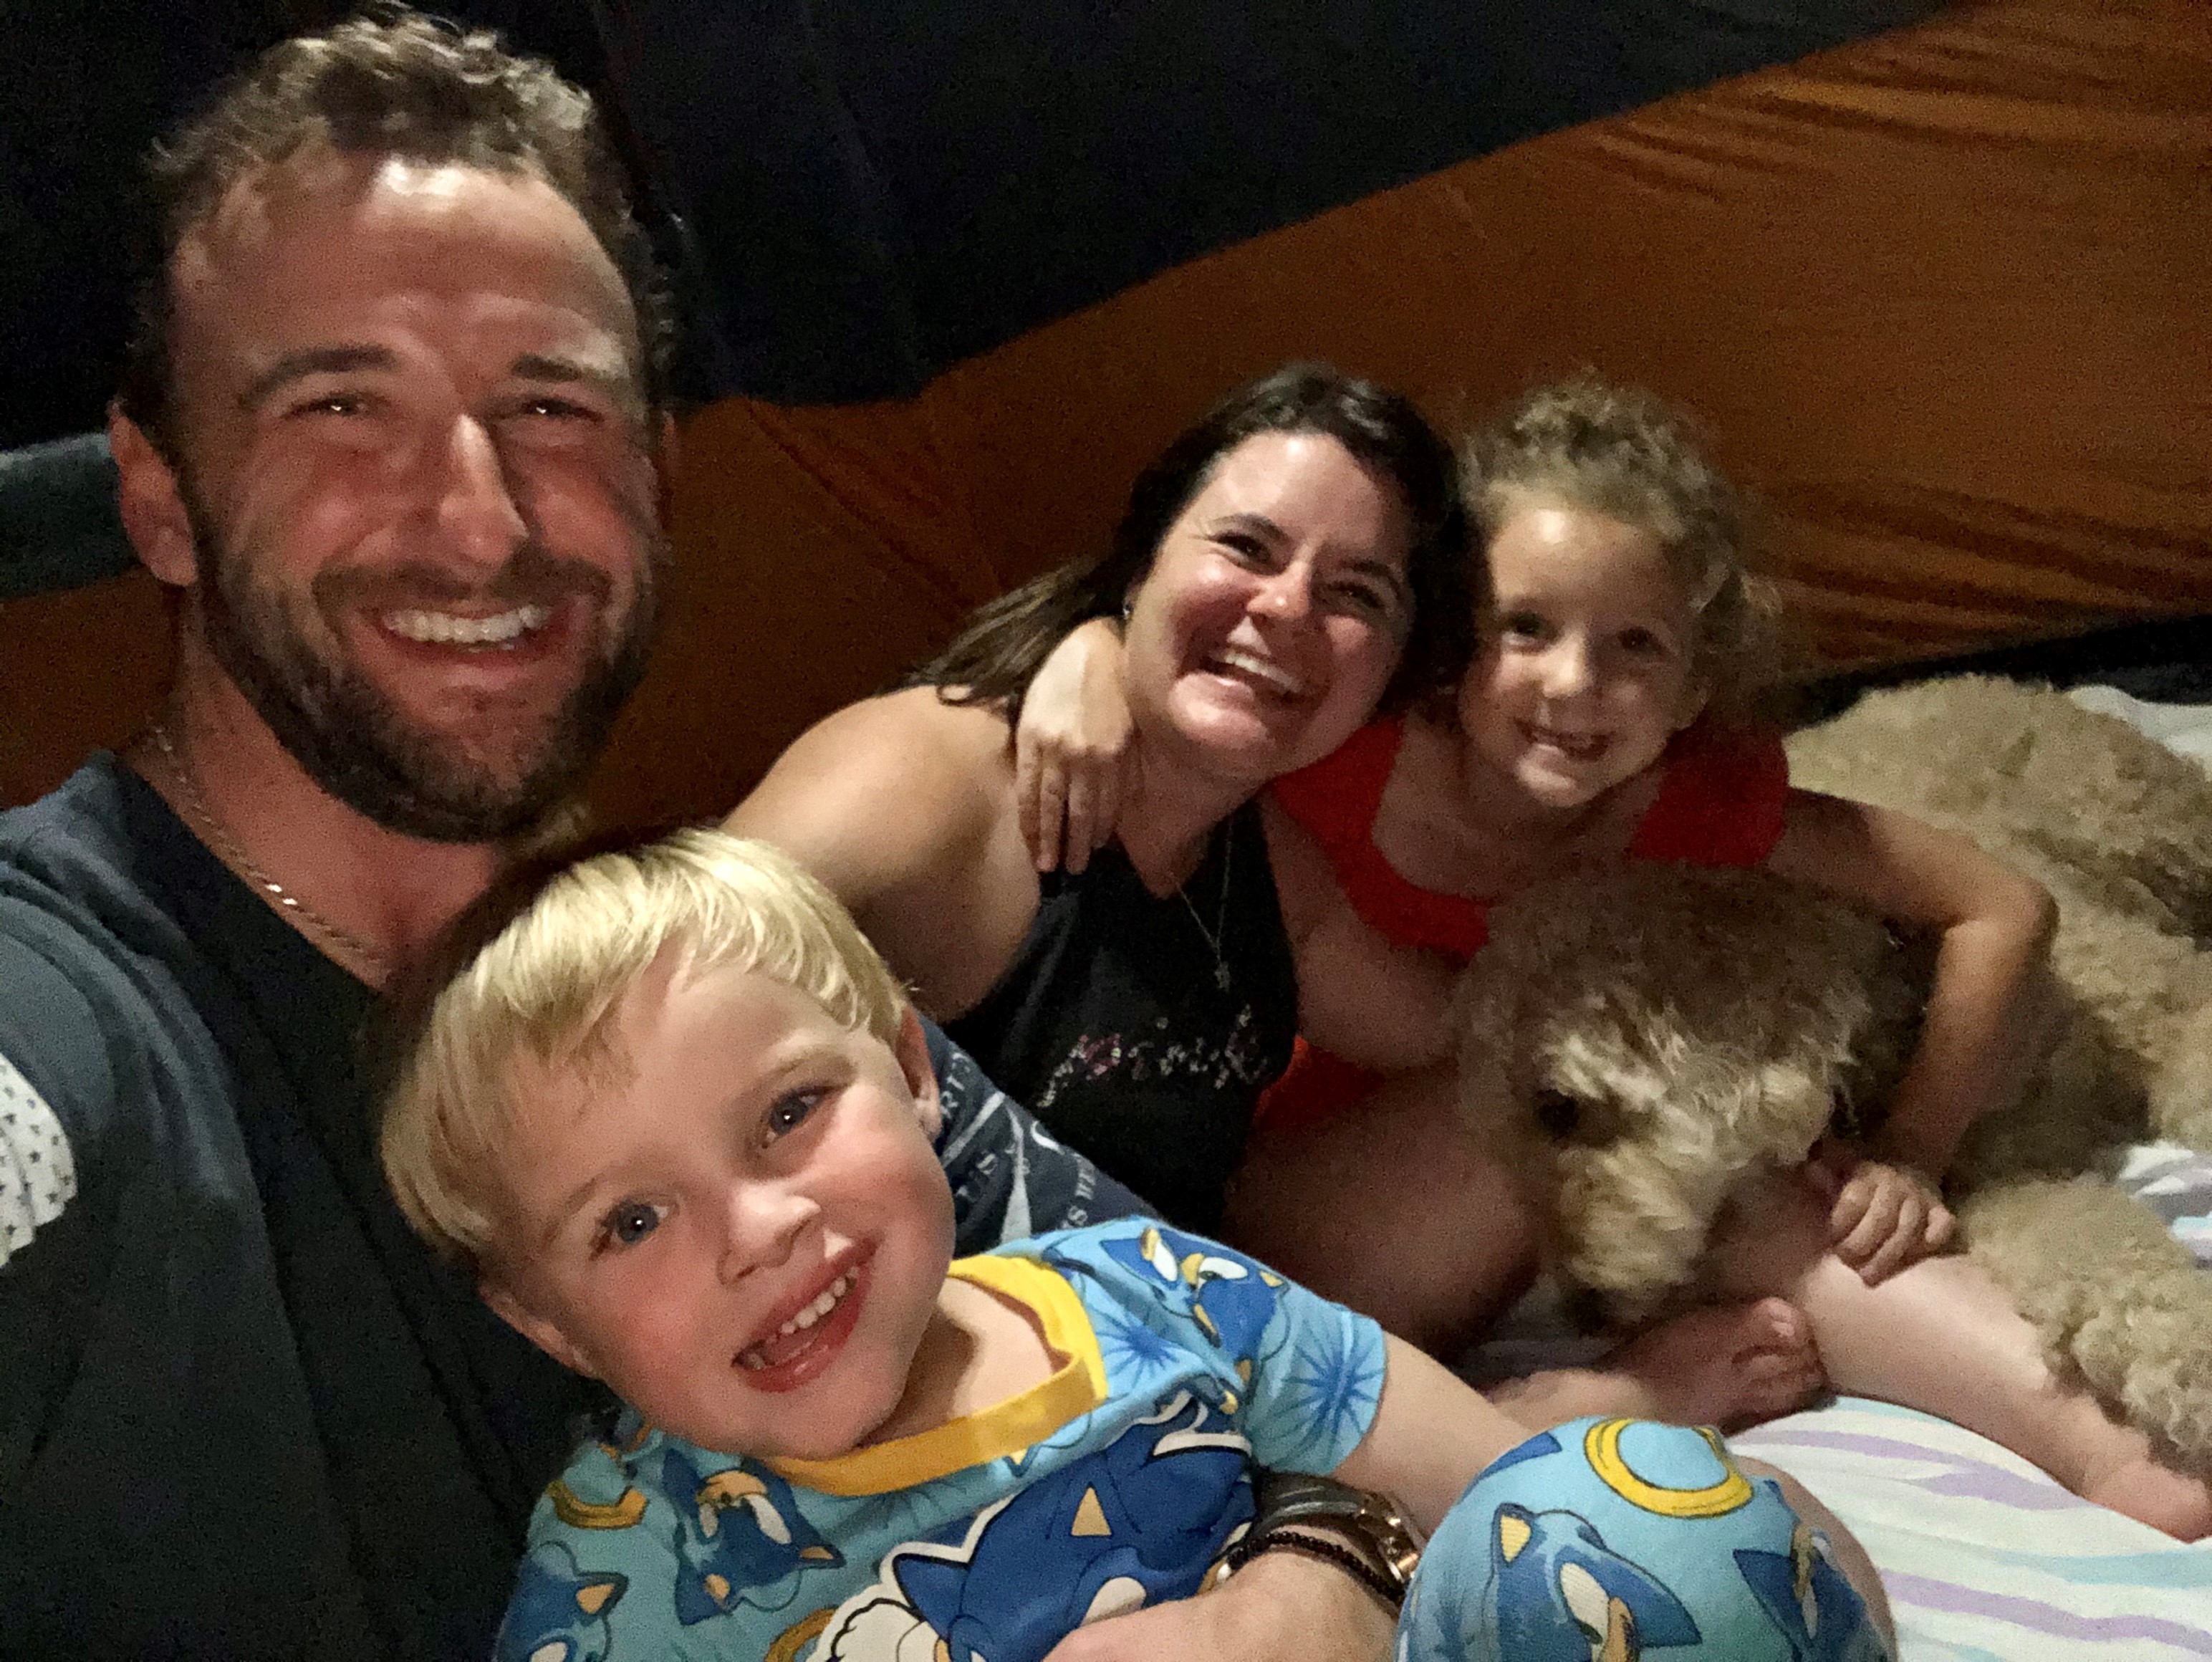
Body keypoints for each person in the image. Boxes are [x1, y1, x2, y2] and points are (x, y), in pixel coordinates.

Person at [0, 14, 1317, 1659]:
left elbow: (1263, 1378)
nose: (478, 519)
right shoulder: (59, 1022)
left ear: (655, 468)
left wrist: (1318, 1580)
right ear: (159, 497)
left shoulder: (709, 971)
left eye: (552, 405)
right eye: (340, 404)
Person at [1016, 376, 2212, 1537]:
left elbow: (2001, 907)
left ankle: (2100, 1444)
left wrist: (1913, 1149)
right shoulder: (1350, 750)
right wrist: (1085, 653)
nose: (1576, 687)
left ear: (1694, 685)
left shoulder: (1685, 797)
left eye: (1635, 645)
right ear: (1451, 643)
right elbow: (1209, 699)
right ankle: (1592, 1400)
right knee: (1586, 1092)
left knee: (1729, 1164)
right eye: (1526, 630)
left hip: (1510, 1216)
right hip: (1288, 1223)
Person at [375, 827, 1895, 1662]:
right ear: (548, 1324)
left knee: (1654, 1522)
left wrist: (1756, 1567)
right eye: (631, 1220)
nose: (757, 1231)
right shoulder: (618, 1576)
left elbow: (1512, 1499)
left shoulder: (1155, 1296)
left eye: (786, 1113)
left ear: (909, 1069)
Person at [729, 367, 1820, 1429]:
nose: (1287, 608)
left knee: (1542, 1082)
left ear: (1396, 670)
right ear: (1143, 563)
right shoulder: (923, 784)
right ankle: (1576, 1417)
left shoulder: (1270, 862)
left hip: (1155, 1346)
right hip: (888, 1380)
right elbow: (641, 982)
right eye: (1246, 548)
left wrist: (1765, 1119)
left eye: (1356, 594)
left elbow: (1473, 1045)